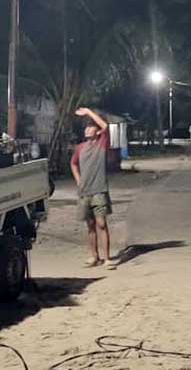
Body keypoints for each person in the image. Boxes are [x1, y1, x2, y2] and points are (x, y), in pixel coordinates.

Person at [70, 106, 116, 269]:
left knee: (101, 223)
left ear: (96, 132)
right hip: (84, 192)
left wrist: (89, 112)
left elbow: (105, 127)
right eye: (86, 127)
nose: (87, 129)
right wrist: (78, 180)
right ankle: (94, 256)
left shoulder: (101, 144)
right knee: (90, 226)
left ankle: (107, 257)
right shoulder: (80, 148)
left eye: (90, 127)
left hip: (99, 190)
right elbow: (73, 164)